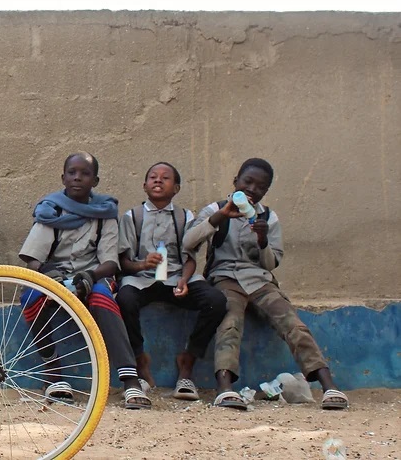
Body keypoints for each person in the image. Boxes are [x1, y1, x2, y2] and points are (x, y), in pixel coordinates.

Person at [182, 158, 349, 411]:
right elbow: (188, 242)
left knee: (292, 324)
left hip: (260, 281)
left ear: (265, 191)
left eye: (260, 186)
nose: (252, 189)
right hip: (226, 278)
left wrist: (262, 240)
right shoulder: (215, 209)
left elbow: (271, 263)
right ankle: (225, 388)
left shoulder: (268, 217)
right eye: (247, 182)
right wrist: (220, 216)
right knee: (230, 324)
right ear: (235, 181)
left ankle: (328, 385)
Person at [18, 152, 152, 409]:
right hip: (55, 276)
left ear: (96, 181)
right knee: (31, 299)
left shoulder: (105, 213)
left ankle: (130, 380)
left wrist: (90, 276)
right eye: (72, 173)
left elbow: (111, 262)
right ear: (63, 177)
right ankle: (54, 375)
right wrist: (49, 273)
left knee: (103, 299)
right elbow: (32, 258)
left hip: (92, 275)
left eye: (85, 174)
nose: (77, 178)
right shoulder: (51, 210)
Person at [115, 162, 227, 401]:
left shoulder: (184, 216)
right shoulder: (132, 217)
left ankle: (188, 361)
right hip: (141, 279)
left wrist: (185, 281)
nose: (158, 180)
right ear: (144, 185)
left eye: (165, 178)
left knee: (215, 300)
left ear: (176, 188)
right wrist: (143, 264)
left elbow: (189, 258)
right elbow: (124, 262)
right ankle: (139, 359)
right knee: (124, 299)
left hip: (175, 277)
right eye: (153, 177)